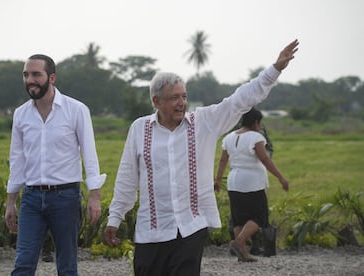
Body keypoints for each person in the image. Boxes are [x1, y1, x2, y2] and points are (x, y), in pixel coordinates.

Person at [103, 39, 298, 275]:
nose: (182, 103)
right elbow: (127, 178)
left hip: (190, 226)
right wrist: (115, 218)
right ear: (156, 101)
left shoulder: (203, 122)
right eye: (174, 97)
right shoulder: (139, 128)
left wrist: (274, 70)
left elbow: (240, 100)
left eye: (184, 96)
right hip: (151, 229)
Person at [4, 54, 106, 275]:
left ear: (51, 78)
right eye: (26, 75)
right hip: (31, 198)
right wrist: (11, 201)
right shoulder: (21, 115)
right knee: (23, 263)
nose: (30, 79)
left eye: (36, 74)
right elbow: (17, 159)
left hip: (66, 198)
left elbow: (90, 154)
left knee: (67, 266)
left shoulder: (76, 110)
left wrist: (94, 196)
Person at [214, 108, 289, 262]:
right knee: (260, 216)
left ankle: (243, 254)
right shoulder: (256, 137)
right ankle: (239, 242)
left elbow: (222, 161)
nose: (261, 126)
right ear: (255, 122)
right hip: (252, 182)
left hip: (234, 181)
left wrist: (217, 180)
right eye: (260, 122)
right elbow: (265, 159)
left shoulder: (228, 137)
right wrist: (281, 177)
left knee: (239, 217)